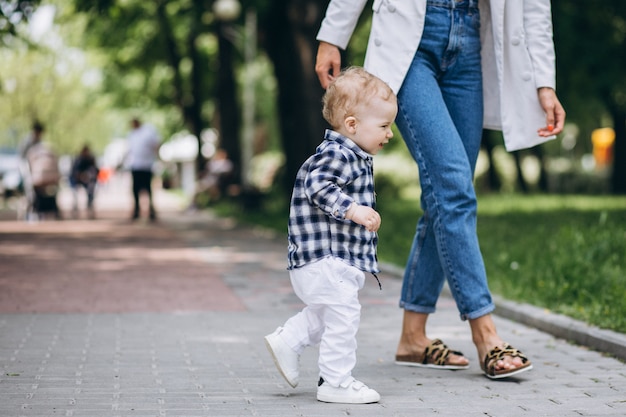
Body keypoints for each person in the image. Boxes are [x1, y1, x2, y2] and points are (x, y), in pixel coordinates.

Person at [315, 0, 566, 379]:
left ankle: (413, 337)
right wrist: (332, 35)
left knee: (444, 197)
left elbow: (534, 5)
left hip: (472, 37)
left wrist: (544, 81)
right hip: (412, 38)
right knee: (454, 188)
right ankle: (486, 334)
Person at [264, 67, 397, 404]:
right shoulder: (338, 154)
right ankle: (336, 382)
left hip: (331, 259)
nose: (390, 133)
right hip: (323, 259)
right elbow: (317, 185)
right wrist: (353, 210)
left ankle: (289, 340)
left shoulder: (353, 155)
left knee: (329, 313)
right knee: (344, 315)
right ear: (352, 125)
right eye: (383, 126)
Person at [125, 118, 161, 221]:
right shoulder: (132, 134)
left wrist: (155, 157)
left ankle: (151, 210)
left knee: (148, 189)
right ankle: (137, 210)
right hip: (136, 165)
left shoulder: (148, 131)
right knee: (135, 189)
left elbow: (156, 144)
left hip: (146, 165)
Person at [70, 144, 99, 219]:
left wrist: (88, 176)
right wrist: (81, 176)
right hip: (78, 180)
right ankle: (75, 210)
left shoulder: (91, 160)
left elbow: (95, 172)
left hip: (89, 181)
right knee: (75, 192)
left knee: (91, 191)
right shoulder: (78, 160)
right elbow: (74, 173)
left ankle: (90, 208)